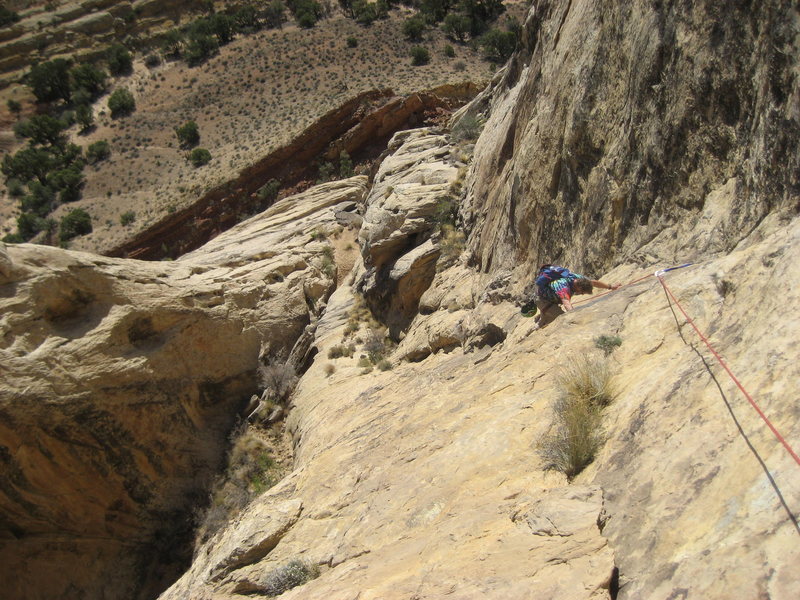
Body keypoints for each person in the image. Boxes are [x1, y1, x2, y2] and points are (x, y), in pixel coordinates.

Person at [528, 264, 620, 328]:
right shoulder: (563, 286)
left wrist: (611, 287)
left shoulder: (577, 278)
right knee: (561, 319)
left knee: (550, 317)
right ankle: (544, 317)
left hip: (550, 298)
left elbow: (593, 282)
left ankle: (542, 318)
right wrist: (576, 317)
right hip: (543, 300)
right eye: (582, 292)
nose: (582, 294)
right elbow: (566, 304)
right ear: (578, 287)